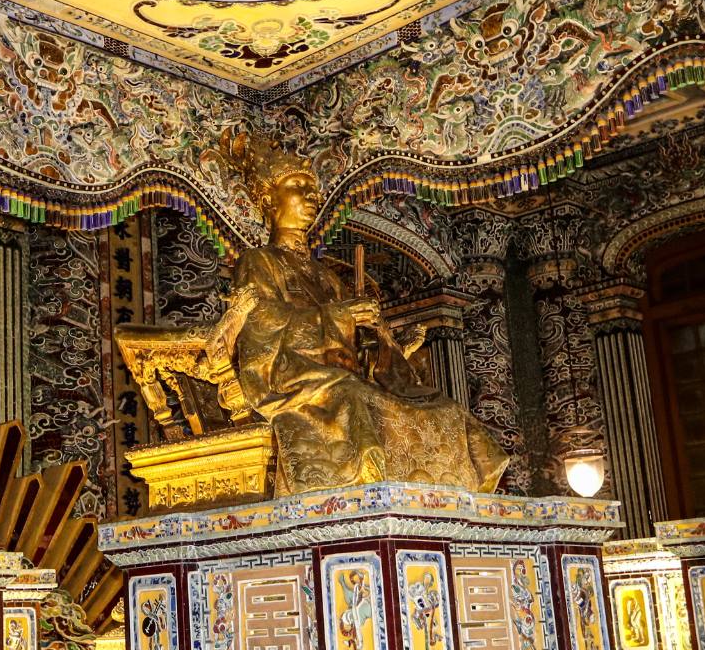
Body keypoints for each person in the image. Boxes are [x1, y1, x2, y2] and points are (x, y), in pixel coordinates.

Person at [213, 131, 510, 495]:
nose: (311, 196)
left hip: (344, 373)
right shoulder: (258, 260)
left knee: (443, 407)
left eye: (313, 189)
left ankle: (444, 498)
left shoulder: (324, 275)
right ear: (268, 200)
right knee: (352, 397)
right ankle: (364, 493)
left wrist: (380, 339)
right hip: (297, 376)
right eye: (297, 186)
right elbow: (262, 322)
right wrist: (339, 315)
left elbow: (357, 343)